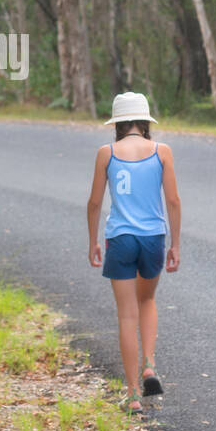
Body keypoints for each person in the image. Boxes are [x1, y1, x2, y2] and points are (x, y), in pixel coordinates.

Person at [86, 92, 181, 413]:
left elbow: (95, 203)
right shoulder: (162, 152)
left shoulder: (106, 153)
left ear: (117, 123)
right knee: (148, 300)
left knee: (127, 314)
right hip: (153, 238)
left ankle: (131, 395)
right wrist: (175, 244)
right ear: (144, 121)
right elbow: (173, 202)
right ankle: (150, 365)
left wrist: (93, 241)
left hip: (120, 238)